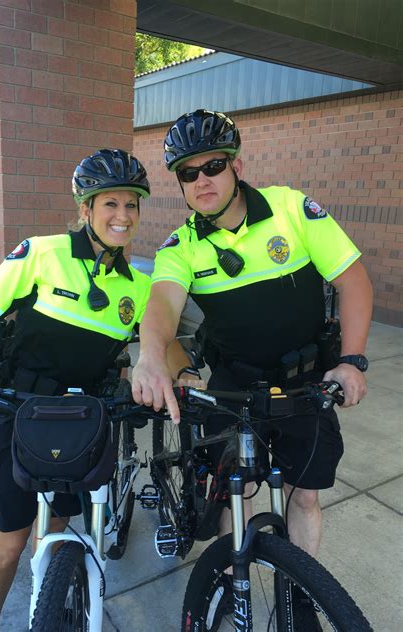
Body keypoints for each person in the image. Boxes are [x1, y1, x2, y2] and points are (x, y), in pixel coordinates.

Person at [0, 148, 196, 632]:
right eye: (110, 204)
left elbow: (162, 343)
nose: (122, 216)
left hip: (81, 425)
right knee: (9, 541)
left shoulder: (136, 288)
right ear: (85, 210)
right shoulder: (42, 252)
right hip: (17, 415)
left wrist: (184, 378)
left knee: (53, 536)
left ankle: (49, 602)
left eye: (131, 205)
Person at [132, 110, 373, 628]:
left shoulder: (291, 209)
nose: (202, 180)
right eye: (187, 173)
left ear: (237, 164)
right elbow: (161, 311)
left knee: (303, 496)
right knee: (231, 492)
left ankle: (301, 587)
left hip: (306, 380)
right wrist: (151, 357)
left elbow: (354, 280)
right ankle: (226, 572)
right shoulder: (182, 245)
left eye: (213, 166)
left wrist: (351, 361)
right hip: (233, 384)